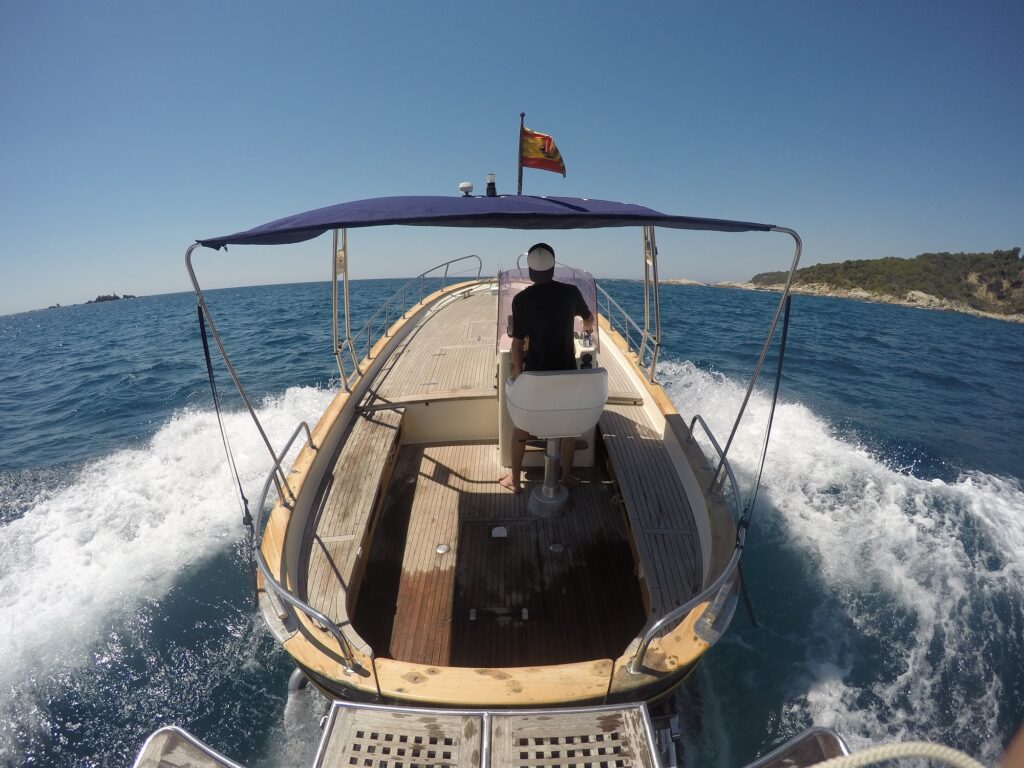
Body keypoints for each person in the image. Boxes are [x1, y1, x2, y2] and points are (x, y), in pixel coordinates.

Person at [499, 242, 595, 494]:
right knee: (567, 428)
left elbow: (516, 344)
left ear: (531, 272)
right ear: (553, 269)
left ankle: (515, 480)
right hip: (565, 376)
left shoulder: (521, 300)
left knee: (520, 427)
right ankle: (566, 477)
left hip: (535, 378)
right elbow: (588, 319)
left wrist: (518, 375)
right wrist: (587, 330)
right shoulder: (571, 292)